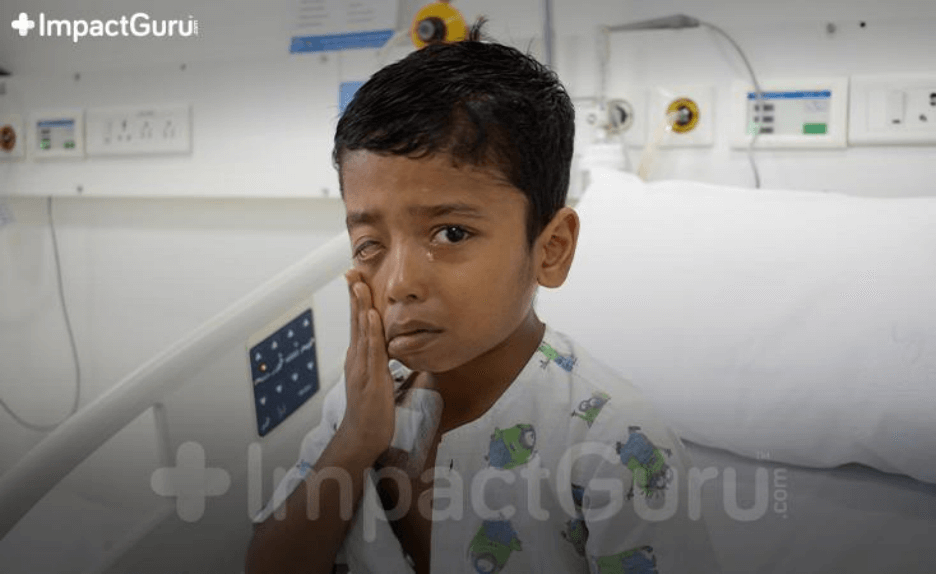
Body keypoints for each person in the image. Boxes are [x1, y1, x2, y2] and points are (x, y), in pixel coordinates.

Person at [245, 17, 721, 574]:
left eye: (451, 233)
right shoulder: (359, 405)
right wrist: (355, 441)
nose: (398, 283)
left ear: (550, 249)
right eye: (369, 244)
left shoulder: (614, 442)